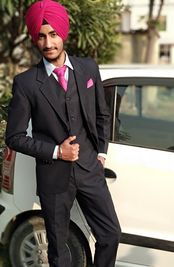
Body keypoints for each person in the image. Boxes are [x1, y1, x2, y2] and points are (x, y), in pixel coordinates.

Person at [5, 0, 121, 266]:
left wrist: (101, 153)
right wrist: (57, 151)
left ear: (63, 33)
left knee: (110, 234)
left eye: (53, 34)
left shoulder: (88, 68)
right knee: (58, 250)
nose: (48, 43)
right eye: (42, 36)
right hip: (53, 175)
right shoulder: (25, 83)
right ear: (36, 39)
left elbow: (102, 114)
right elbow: (14, 137)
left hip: (89, 168)